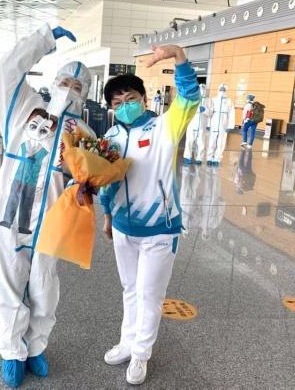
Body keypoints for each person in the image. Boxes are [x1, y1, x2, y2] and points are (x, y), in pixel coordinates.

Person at [0, 24, 95, 388]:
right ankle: (11, 352)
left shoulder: (84, 135)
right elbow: (6, 69)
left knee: (44, 285)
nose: (70, 89)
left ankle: (35, 346)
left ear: (85, 95)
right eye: (66, 81)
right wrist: (44, 39)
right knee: (9, 279)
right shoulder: (23, 107)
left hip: (52, 220)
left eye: (77, 86)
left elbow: (92, 180)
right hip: (10, 214)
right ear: (55, 81)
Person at [99, 45, 199, 385]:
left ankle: (141, 354)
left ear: (143, 99)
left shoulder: (165, 126)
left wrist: (178, 55)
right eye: (117, 102)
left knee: (149, 295)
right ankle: (127, 342)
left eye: (130, 98)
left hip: (160, 228)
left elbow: (190, 97)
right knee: (129, 288)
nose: (124, 106)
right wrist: (107, 216)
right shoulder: (110, 136)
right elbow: (107, 180)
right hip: (123, 228)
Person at [183, 83, 213, 165]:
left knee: (201, 142)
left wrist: (205, 110)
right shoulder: (192, 99)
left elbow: (211, 112)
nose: (202, 91)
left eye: (203, 89)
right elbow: (187, 110)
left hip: (202, 125)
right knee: (189, 141)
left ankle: (199, 158)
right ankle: (187, 157)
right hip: (192, 123)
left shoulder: (209, 100)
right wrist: (197, 110)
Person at [206, 83, 235, 166]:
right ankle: (209, 157)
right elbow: (210, 113)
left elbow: (232, 114)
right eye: (221, 89)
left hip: (223, 124)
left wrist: (230, 126)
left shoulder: (229, 101)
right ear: (218, 90)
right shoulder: (213, 100)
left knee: (221, 142)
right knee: (211, 141)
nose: (222, 91)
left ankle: (217, 159)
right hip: (214, 123)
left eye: (224, 90)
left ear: (226, 90)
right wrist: (208, 124)